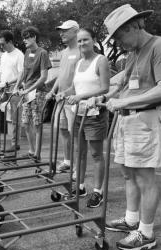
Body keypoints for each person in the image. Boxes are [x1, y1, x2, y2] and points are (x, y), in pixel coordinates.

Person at [100, 4, 161, 250]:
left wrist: (123, 101)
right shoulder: (133, 53)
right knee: (128, 173)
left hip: (144, 119)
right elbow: (121, 83)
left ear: (133, 27)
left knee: (145, 177)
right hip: (127, 119)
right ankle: (131, 219)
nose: (118, 43)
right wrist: (97, 96)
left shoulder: (160, 46)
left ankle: (146, 233)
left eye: (119, 36)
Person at [60, 28, 110, 208]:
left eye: (85, 40)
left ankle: (98, 192)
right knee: (79, 153)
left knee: (96, 154)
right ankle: (80, 187)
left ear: (94, 40)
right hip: (78, 113)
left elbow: (105, 88)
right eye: (79, 41)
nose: (82, 44)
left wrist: (83, 97)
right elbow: (75, 89)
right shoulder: (80, 62)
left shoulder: (100, 60)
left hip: (95, 114)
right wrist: (63, 93)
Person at [45, 20, 80, 174]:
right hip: (61, 99)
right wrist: (52, 90)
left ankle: (78, 167)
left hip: (74, 100)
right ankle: (68, 161)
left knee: (76, 134)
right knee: (63, 130)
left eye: (65, 30)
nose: (61, 33)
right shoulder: (65, 52)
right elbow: (61, 75)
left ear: (75, 31)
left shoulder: (81, 50)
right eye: (61, 30)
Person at [15, 26, 51, 158]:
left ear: (34, 37)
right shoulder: (27, 52)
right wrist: (17, 86)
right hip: (27, 92)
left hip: (38, 92)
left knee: (37, 123)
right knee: (25, 122)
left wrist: (28, 90)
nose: (24, 40)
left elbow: (44, 77)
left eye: (27, 37)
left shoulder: (42, 53)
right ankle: (31, 150)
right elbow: (24, 71)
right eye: (23, 38)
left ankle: (37, 153)